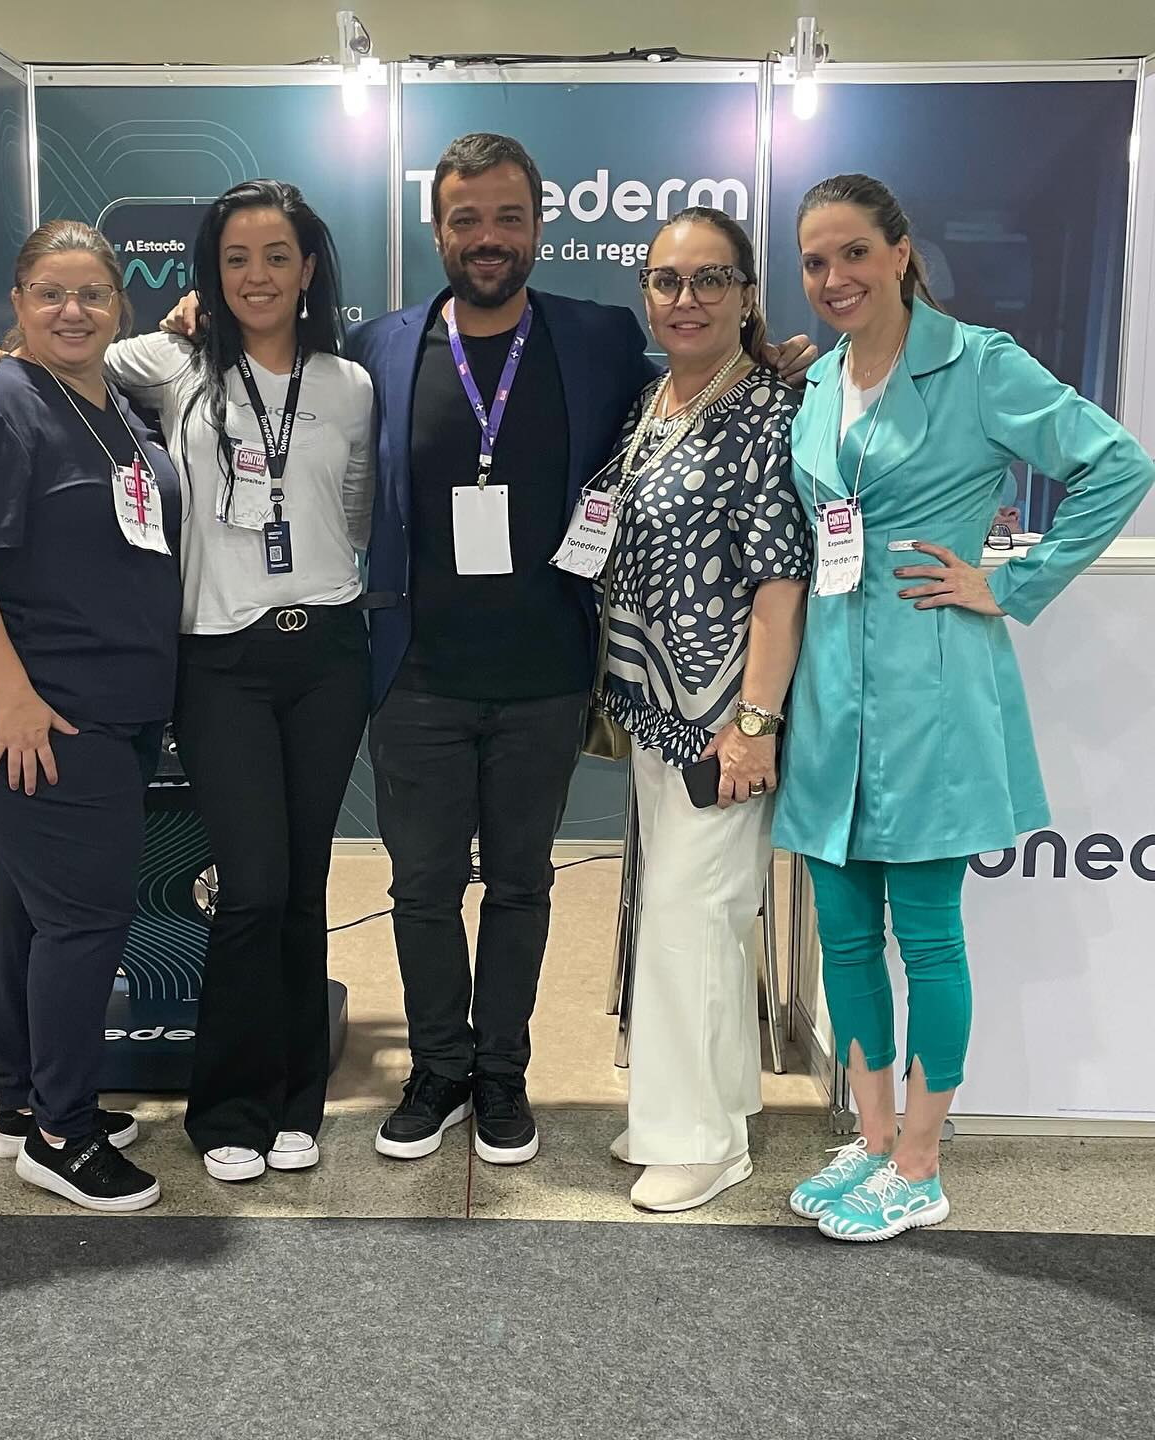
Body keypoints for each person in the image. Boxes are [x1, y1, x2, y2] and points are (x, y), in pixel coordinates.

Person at [343, 133, 815, 1167]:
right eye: (467, 218)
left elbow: (702, 380)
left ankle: (501, 1075)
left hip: (547, 677)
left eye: (508, 217)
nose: (488, 237)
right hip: (416, 677)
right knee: (421, 889)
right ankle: (438, 1070)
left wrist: (777, 361)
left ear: (539, 227)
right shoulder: (380, 346)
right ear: (437, 229)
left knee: (523, 885)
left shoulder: (597, 338)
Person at [0, 182, 374, 1185]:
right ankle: (229, 1108)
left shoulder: (349, 383)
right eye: (235, 258)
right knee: (252, 887)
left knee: (303, 887)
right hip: (217, 657)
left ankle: (295, 1101)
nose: (256, 276)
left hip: (325, 653)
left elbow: (353, 510)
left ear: (309, 268)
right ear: (208, 273)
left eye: (276, 256)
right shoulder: (169, 364)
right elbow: (58, 353)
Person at [775, 174, 1155, 1242]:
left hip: (932, 692)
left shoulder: (980, 364)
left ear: (900, 253)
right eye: (815, 261)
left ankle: (921, 1162)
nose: (835, 277)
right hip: (829, 694)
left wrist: (1012, 581)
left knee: (929, 936)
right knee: (846, 937)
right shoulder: (819, 383)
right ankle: (871, 1138)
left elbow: (1118, 464)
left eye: (854, 252)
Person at [0, 219, 182, 1213]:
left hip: (100, 696)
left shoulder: (113, 403)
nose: (73, 310)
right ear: (18, 302)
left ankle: (24, 1102)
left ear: (120, 305)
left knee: (37, 900)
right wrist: (13, 697)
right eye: (51, 294)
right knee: (86, 914)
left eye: (92, 294)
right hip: (30, 701)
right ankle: (64, 1134)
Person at [600, 210, 810, 1212]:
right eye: (667, 280)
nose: (686, 299)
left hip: (725, 717)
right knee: (695, 914)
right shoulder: (657, 400)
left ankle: (701, 1144)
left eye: (709, 280)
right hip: (660, 712)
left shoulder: (766, 410)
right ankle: (705, 1108)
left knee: (694, 915)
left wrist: (755, 725)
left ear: (747, 295)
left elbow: (781, 581)